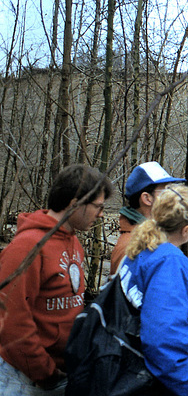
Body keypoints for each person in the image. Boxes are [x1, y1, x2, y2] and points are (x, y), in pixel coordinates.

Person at [0, 164, 113, 395]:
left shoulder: (74, 242)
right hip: (23, 378)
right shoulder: (27, 246)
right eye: (98, 207)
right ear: (74, 204)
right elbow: (11, 321)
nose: (101, 214)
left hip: (59, 373)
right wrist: (45, 372)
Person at [117, 184, 188, 396]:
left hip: (124, 364)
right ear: (186, 229)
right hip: (147, 379)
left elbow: (147, 300)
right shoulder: (170, 261)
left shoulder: (144, 246)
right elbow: (163, 341)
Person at [110, 161, 188, 319]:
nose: (174, 194)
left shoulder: (147, 239)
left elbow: (148, 286)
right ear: (147, 198)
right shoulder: (131, 246)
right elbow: (146, 319)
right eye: (166, 190)